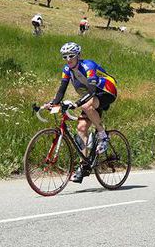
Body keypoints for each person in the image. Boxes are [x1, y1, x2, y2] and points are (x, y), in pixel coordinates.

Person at [44, 42, 118, 183]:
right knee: (81, 128)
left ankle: (103, 136)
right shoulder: (67, 69)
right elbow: (62, 89)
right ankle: (83, 166)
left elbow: (91, 90)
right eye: (65, 56)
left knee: (86, 106)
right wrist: (53, 103)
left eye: (71, 56)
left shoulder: (88, 66)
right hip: (92, 96)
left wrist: (76, 103)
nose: (68, 59)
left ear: (78, 55)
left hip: (106, 91)